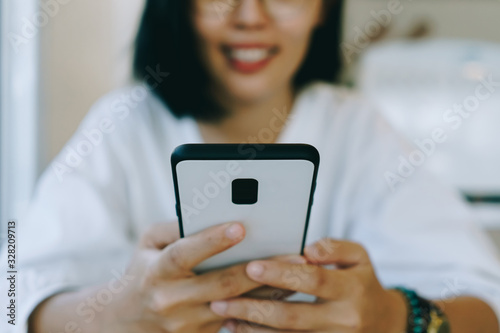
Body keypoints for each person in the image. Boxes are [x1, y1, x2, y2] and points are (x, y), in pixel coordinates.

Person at [9, 0, 500, 332]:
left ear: (323, 8)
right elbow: (12, 293)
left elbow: (487, 306)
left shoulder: (357, 129)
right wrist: (120, 314)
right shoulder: (121, 125)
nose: (252, 16)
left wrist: (391, 316)